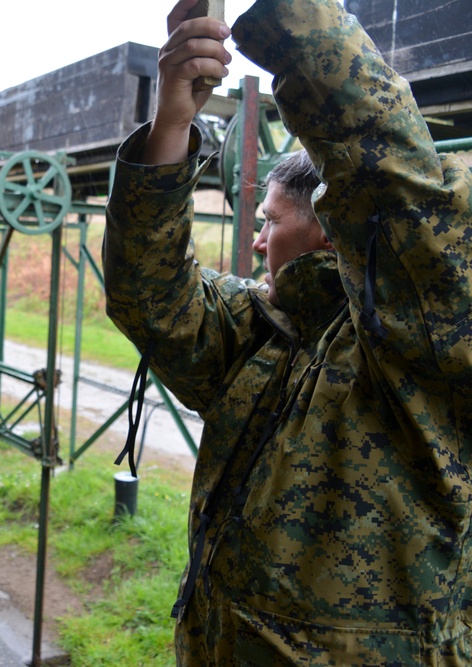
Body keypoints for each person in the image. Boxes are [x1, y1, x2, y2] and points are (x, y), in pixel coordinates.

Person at [103, 0, 472, 663]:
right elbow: (149, 295)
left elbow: (400, 195)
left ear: (328, 225)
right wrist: (173, 123)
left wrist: (293, 22)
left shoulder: (417, 350)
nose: (258, 239)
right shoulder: (269, 327)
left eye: (271, 221)